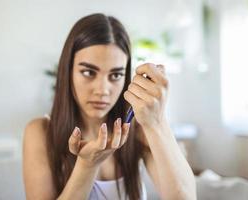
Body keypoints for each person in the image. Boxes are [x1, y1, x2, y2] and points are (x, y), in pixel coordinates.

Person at [23, 13, 196, 200]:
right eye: (89, 72)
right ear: (68, 71)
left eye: (115, 75)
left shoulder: (137, 130)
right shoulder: (40, 132)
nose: (103, 90)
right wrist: (86, 166)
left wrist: (157, 122)